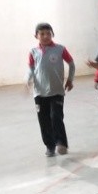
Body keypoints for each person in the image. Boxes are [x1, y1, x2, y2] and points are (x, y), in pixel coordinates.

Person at [26, 22, 75, 157]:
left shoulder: (60, 49)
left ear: (52, 34)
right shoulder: (33, 51)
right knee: (44, 121)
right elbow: (31, 68)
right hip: (39, 93)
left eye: (48, 33)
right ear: (36, 36)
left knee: (56, 117)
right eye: (42, 34)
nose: (45, 36)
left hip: (57, 91)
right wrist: (28, 79)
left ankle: (61, 143)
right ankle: (50, 146)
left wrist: (70, 79)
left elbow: (71, 64)